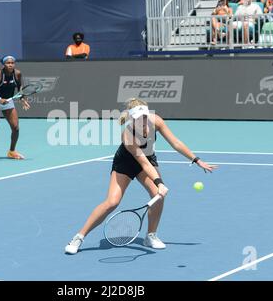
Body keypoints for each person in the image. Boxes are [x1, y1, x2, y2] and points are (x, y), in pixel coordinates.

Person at [64, 98, 218, 254]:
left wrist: (195, 159)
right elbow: (143, 164)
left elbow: (175, 143)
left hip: (148, 158)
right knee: (112, 202)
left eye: (145, 115)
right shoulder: (128, 135)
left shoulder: (156, 121)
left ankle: (151, 236)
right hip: (126, 163)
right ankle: (79, 237)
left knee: (158, 195)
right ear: (132, 118)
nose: (144, 120)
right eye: (139, 118)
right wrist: (159, 182)